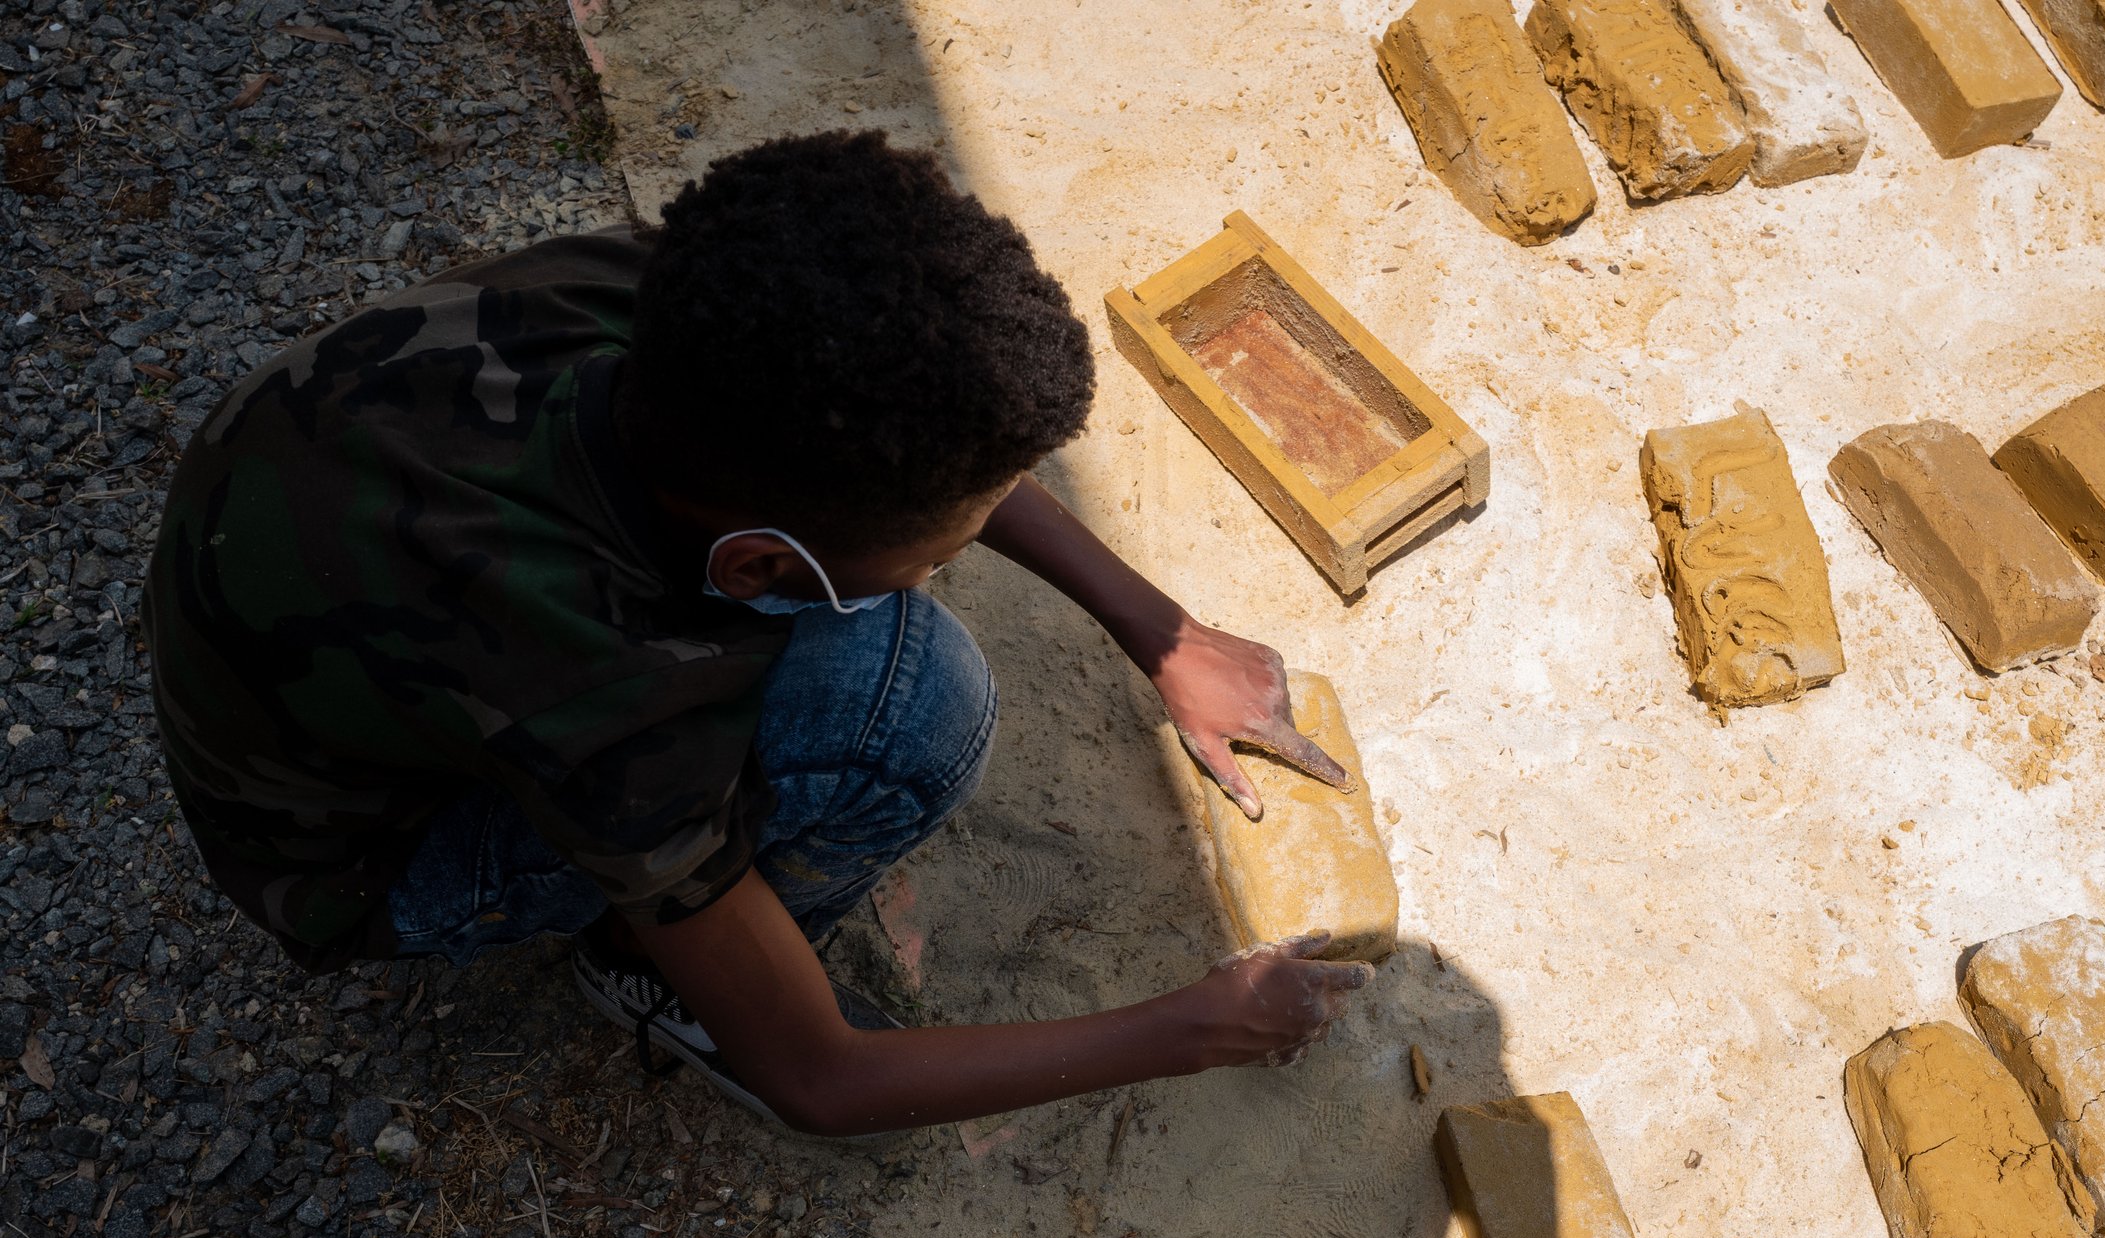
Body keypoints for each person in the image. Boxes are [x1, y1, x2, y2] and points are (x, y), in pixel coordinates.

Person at [146, 131, 1372, 1139]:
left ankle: (682, 917)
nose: (945, 560)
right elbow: (822, 1080)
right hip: (369, 860)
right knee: (911, 701)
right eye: (936, 547)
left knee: (878, 622)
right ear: (758, 562)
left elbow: (931, 438)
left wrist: (1160, 629)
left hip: (336, 632)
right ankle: (651, 968)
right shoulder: (600, 695)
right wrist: (1194, 1025)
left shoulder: (652, 296)